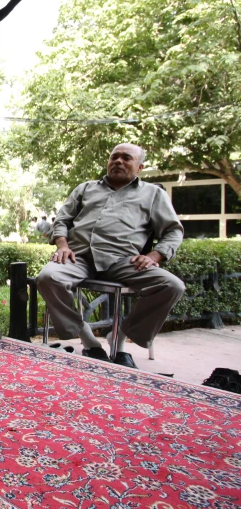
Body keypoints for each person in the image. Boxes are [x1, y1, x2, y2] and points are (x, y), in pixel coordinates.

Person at [35, 143, 185, 368]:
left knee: (172, 286)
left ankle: (120, 336)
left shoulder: (153, 194)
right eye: (114, 157)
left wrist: (155, 256)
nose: (118, 161)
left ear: (140, 166)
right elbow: (62, 220)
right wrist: (62, 245)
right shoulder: (85, 188)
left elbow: (173, 230)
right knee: (48, 277)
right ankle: (87, 338)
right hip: (79, 256)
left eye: (126, 158)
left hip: (123, 259)